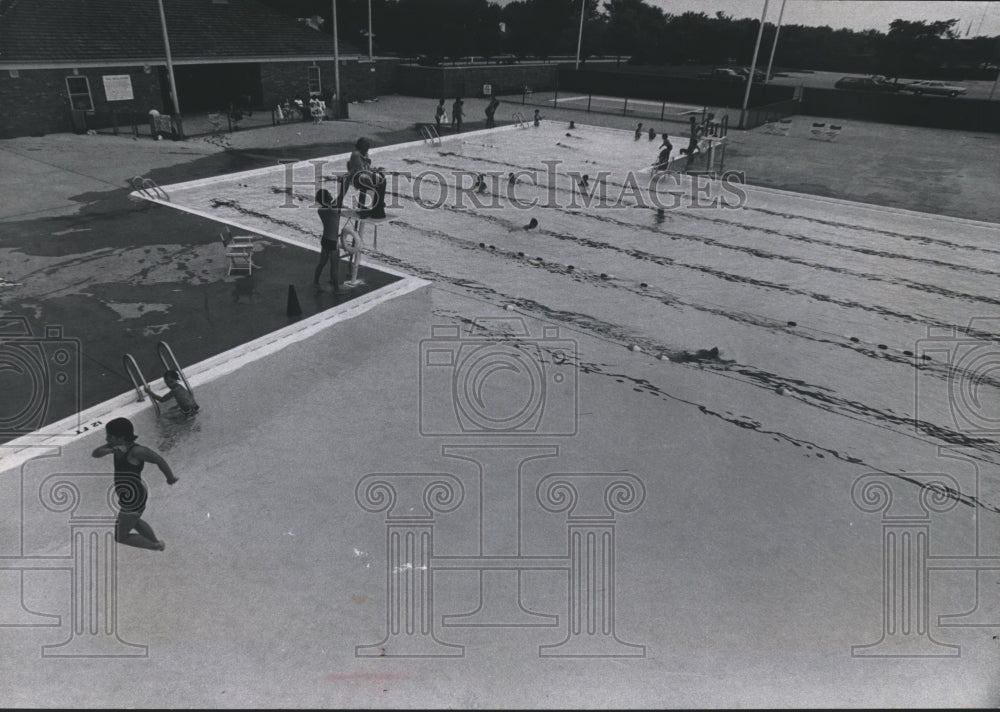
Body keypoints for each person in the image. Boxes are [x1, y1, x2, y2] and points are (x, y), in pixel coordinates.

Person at [92, 417, 178, 551]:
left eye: (110, 436)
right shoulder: (114, 446)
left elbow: (159, 460)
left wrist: (170, 478)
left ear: (121, 438)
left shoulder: (137, 451)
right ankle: (155, 542)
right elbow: (95, 454)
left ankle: (155, 546)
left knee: (120, 537)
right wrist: (111, 450)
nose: (106, 439)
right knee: (135, 521)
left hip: (134, 497)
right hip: (130, 495)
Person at [312, 189, 344, 292]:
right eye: (329, 194)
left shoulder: (320, 210)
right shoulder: (332, 209)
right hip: (332, 242)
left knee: (322, 263)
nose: (331, 195)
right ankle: (337, 290)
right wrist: (346, 182)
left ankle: (316, 282)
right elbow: (341, 196)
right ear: (326, 198)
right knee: (334, 266)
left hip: (325, 239)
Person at [337, 136, 374, 208]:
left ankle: (361, 205)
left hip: (361, 176)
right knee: (369, 184)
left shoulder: (365, 154)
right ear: (360, 146)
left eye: (368, 146)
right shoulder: (356, 154)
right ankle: (336, 204)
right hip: (353, 176)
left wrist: (371, 169)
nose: (367, 148)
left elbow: (366, 168)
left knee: (365, 186)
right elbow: (360, 170)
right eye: (365, 146)